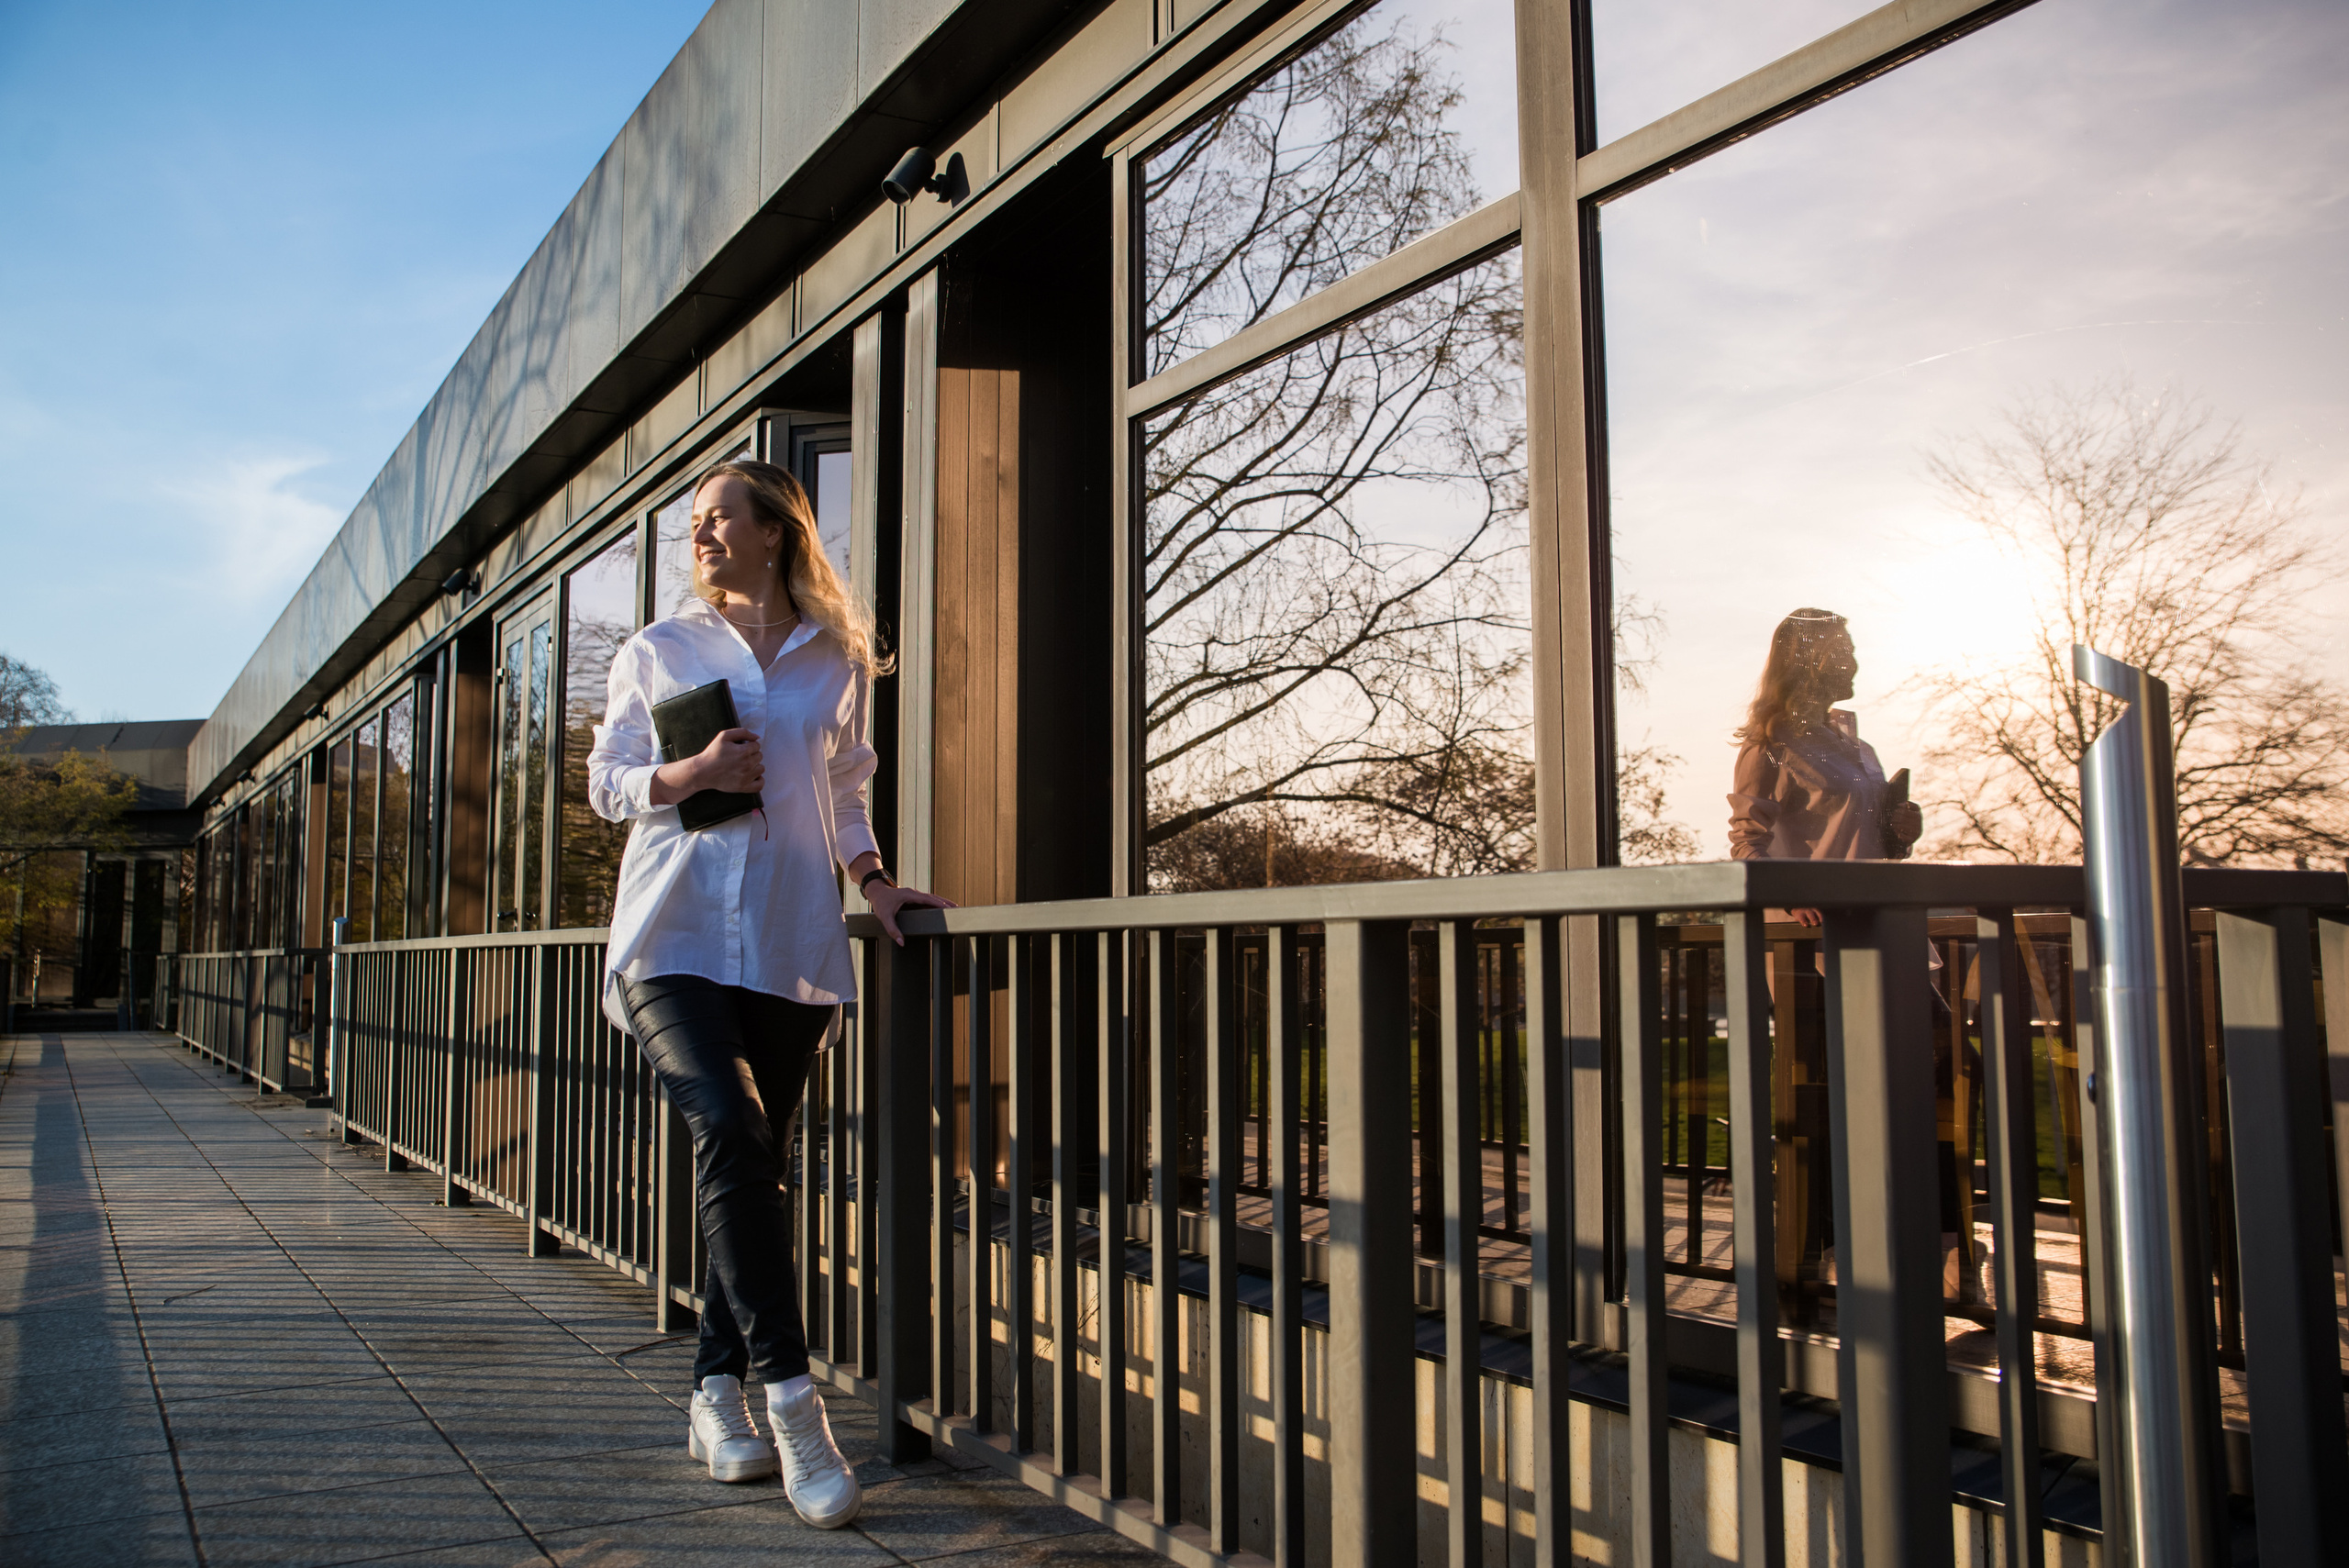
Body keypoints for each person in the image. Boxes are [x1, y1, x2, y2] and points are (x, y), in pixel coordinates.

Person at [586, 458, 952, 1528]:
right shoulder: (659, 648)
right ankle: (794, 1403)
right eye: (694, 521)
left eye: (717, 516)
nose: (700, 533)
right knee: (732, 1126)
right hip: (671, 934)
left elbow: (844, 786)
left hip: (791, 944)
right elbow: (607, 781)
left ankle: (714, 1393)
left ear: (776, 528)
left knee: (747, 1162)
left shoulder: (838, 656)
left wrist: (874, 881)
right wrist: (689, 774)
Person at [1726, 607, 1922, 914]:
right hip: (1814, 929)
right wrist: (1792, 898)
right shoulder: (1771, 743)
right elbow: (1746, 843)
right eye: (1842, 652)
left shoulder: (1861, 749)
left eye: (1851, 653)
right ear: (1810, 662)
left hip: (1876, 914)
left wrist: (1902, 834)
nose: (1853, 664)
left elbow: (1868, 844)